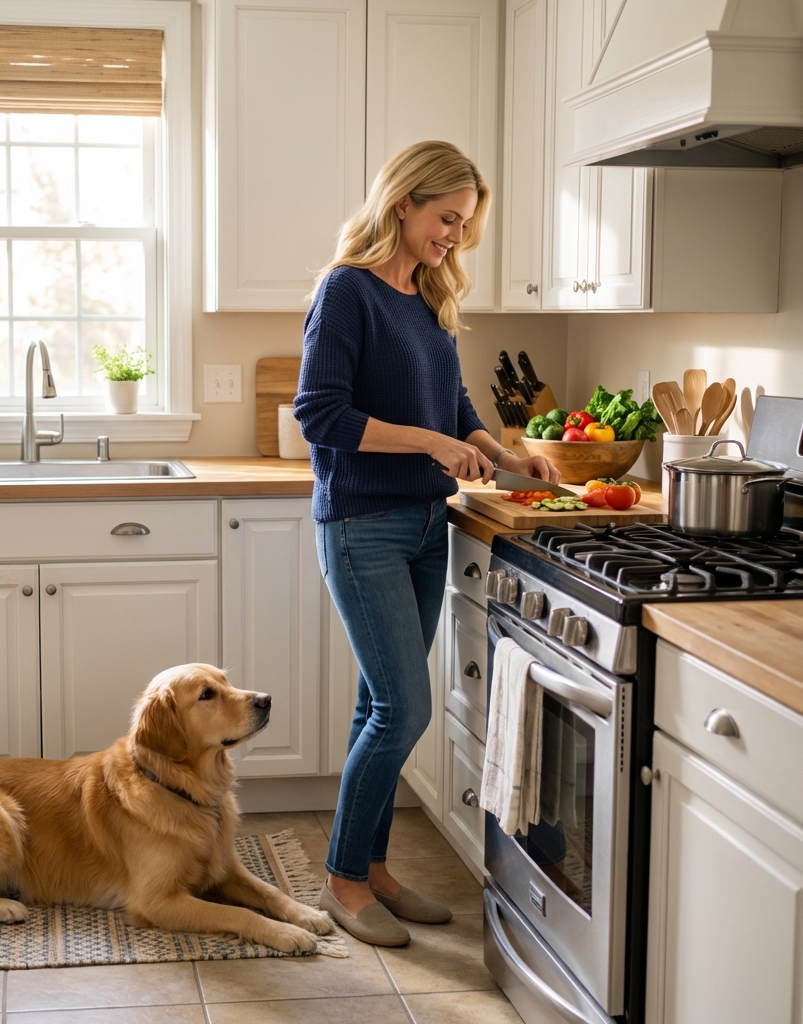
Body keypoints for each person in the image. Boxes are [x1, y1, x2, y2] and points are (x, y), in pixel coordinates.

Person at [294, 141, 560, 947]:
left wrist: (510, 457)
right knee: (404, 706)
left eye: (464, 225)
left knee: (381, 705)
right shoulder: (347, 292)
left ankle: (371, 869)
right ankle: (343, 878)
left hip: (422, 525)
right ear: (403, 203)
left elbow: (457, 403)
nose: (454, 237)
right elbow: (320, 415)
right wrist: (432, 446)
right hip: (361, 524)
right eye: (447, 219)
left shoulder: (428, 297)